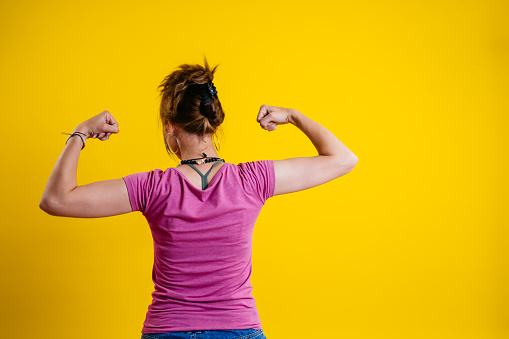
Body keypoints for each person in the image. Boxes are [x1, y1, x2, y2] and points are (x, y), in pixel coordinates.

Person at [39, 58, 358, 339]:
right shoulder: (252, 181)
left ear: (170, 127)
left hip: (167, 331)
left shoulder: (153, 188)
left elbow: (56, 200)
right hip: (239, 330)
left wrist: (80, 134)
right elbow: (343, 159)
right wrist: (293, 116)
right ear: (214, 123)